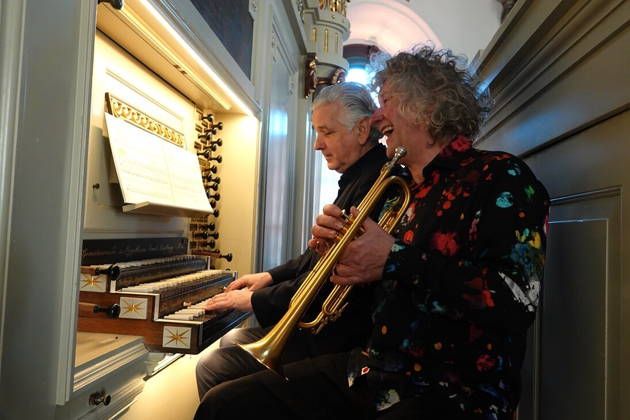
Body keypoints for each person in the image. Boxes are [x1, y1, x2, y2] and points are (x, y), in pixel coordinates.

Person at [194, 46, 549, 420]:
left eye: (387, 102)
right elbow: (370, 286)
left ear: (427, 107)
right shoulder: (403, 190)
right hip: (373, 370)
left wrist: (393, 258)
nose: (377, 119)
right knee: (223, 406)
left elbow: (515, 302)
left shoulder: (501, 176)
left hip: (452, 389)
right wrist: (336, 254)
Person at [195, 82, 389, 400]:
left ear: (362, 129)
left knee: (213, 366)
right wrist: (269, 277)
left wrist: (254, 301)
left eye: (327, 132)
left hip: (341, 337)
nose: (317, 145)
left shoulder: (375, 182)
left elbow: (330, 276)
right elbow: (314, 259)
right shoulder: (358, 177)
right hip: (330, 327)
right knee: (229, 344)